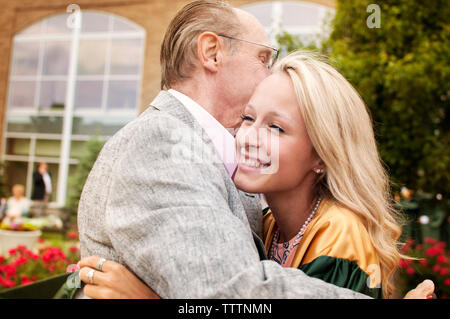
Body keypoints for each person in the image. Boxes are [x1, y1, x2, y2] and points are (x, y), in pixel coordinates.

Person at [71, 0, 434, 299]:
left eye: (275, 126)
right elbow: (232, 293)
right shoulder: (164, 144)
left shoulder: (330, 225)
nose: (269, 73)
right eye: (263, 58)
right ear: (212, 53)